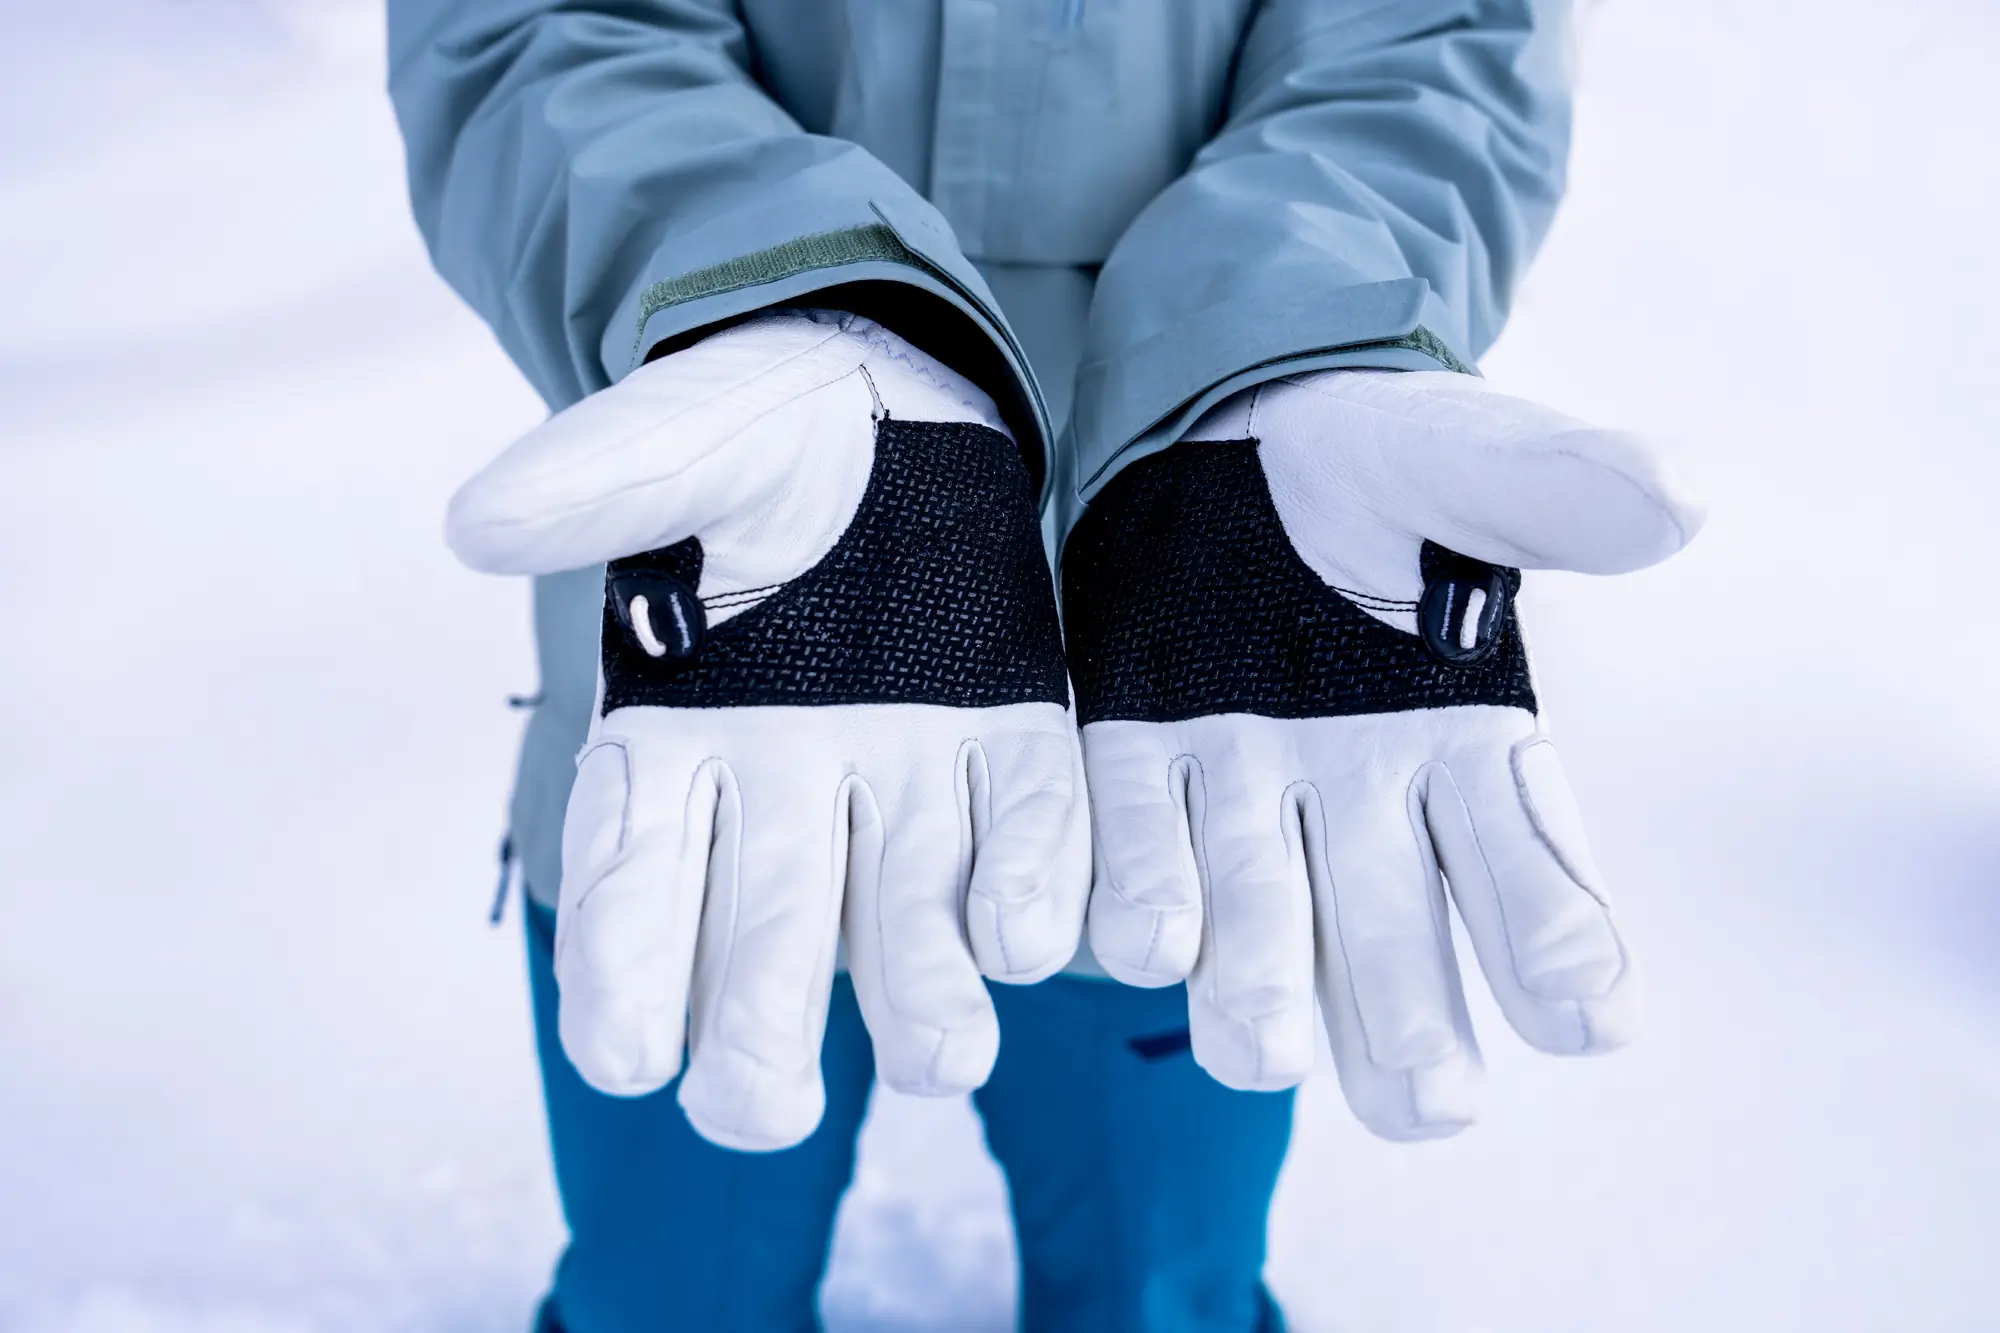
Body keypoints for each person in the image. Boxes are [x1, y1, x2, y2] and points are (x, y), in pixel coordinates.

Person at [388, 3, 1702, 1330]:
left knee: (1154, 1297)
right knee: (674, 1297)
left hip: (1203, 735)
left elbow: (1431, 43)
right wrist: (779, 295)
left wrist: (1291, 346)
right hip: (728, 666)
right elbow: (538, 28)